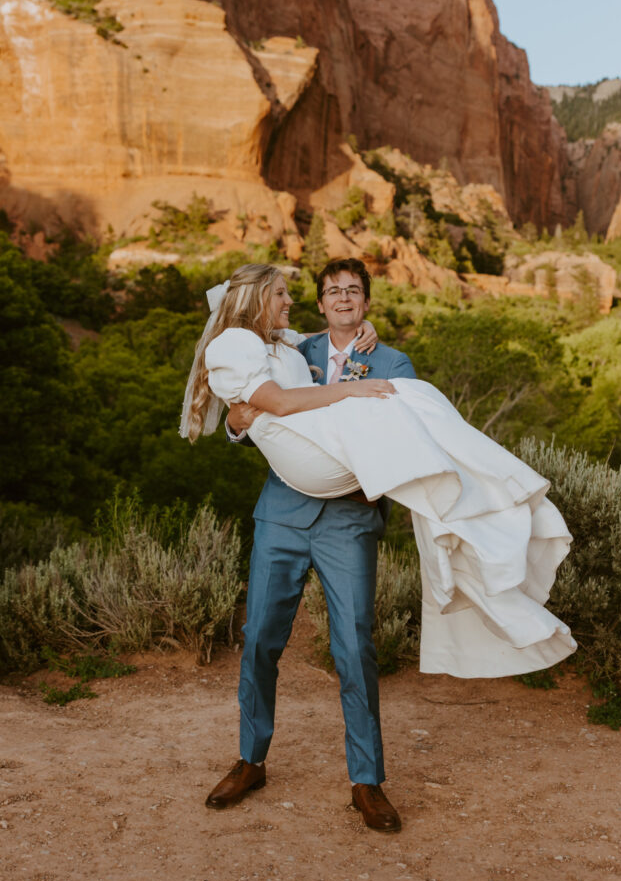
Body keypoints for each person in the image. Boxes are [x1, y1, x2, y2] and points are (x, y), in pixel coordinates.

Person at [180, 262, 576, 828]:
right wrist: (241, 419)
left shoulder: (392, 363)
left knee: (355, 648)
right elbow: (241, 416)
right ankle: (251, 759)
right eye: (332, 290)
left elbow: (407, 436)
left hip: (350, 521)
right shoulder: (293, 346)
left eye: (354, 291)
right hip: (282, 517)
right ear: (321, 301)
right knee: (260, 637)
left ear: (366, 301)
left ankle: (366, 783)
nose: (343, 299)